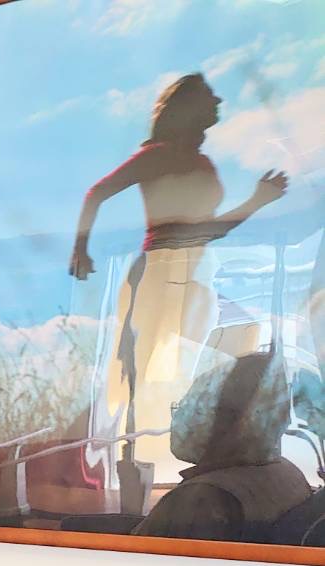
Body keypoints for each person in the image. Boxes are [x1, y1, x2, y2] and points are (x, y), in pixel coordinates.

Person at [69, 73, 289, 483]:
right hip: (164, 273)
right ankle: (143, 465)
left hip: (195, 273)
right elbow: (97, 192)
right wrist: (80, 248)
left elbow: (208, 229)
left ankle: (199, 451)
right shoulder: (160, 155)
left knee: (241, 337)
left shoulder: (198, 162)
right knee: (155, 372)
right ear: (188, 108)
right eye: (209, 96)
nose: (218, 101)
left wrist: (258, 202)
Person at [135, 351, 311, 541]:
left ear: (230, 420)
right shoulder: (286, 472)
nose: (179, 418)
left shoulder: (204, 499)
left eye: (195, 408)